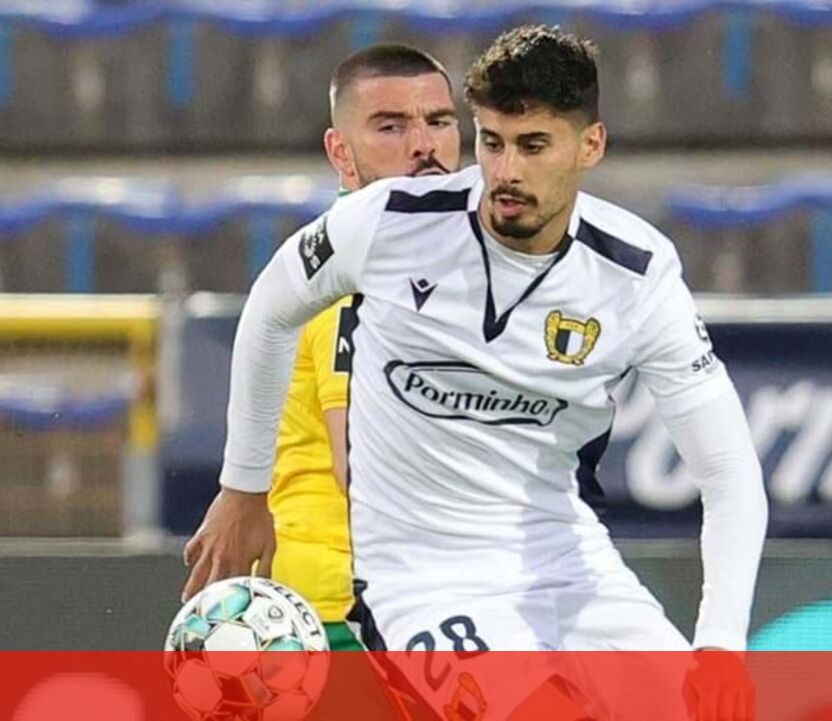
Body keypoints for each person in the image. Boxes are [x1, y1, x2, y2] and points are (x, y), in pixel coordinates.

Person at [183, 25, 766, 720]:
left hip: (570, 564)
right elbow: (271, 309)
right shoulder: (388, 224)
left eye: (533, 145)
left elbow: (728, 470)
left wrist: (721, 644)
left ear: (591, 146)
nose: (506, 171)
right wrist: (244, 487)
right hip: (422, 581)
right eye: (492, 142)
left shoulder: (637, 271)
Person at [183, 42, 460, 720]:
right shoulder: (352, 278)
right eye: (391, 126)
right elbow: (358, 462)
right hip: (350, 616)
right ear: (341, 152)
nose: (424, 146)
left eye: (440, 121)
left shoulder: (432, 264)